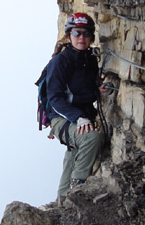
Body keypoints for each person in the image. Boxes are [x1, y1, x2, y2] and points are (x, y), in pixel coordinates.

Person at [45, 12, 108, 198]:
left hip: (79, 116)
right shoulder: (60, 62)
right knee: (90, 138)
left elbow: (82, 88)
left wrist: (98, 89)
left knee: (74, 150)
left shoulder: (89, 60)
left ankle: (63, 198)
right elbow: (54, 98)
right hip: (61, 118)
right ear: (68, 36)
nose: (82, 37)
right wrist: (78, 118)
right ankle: (77, 186)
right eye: (77, 33)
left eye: (86, 33)